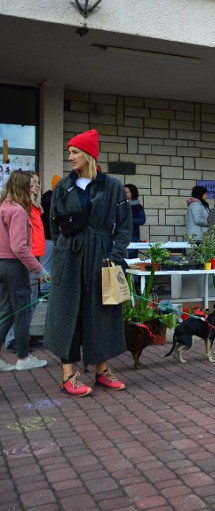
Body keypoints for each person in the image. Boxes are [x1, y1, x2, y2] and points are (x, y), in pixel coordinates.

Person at [44, 129, 132, 397]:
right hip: (68, 258)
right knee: (67, 313)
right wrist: (63, 251)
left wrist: (113, 256)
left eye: (74, 152)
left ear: (89, 155)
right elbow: (54, 225)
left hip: (101, 257)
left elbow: (124, 227)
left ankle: (102, 371)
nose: (70, 157)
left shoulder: (113, 186)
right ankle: (69, 375)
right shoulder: (63, 186)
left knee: (101, 313)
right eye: (69, 152)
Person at [0, 170, 49, 371]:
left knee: (6, 312)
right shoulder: (18, 211)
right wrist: (40, 270)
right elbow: (19, 246)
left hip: (2, 264)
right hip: (14, 266)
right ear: (23, 186)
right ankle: (23, 357)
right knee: (22, 312)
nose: (34, 187)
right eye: (31, 183)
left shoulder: (4, 206)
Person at [124, 183, 146, 259]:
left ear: (132, 193)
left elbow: (142, 220)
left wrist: (127, 220)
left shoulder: (138, 206)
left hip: (133, 237)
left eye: (126, 192)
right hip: (118, 236)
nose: (124, 194)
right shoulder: (119, 205)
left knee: (132, 259)